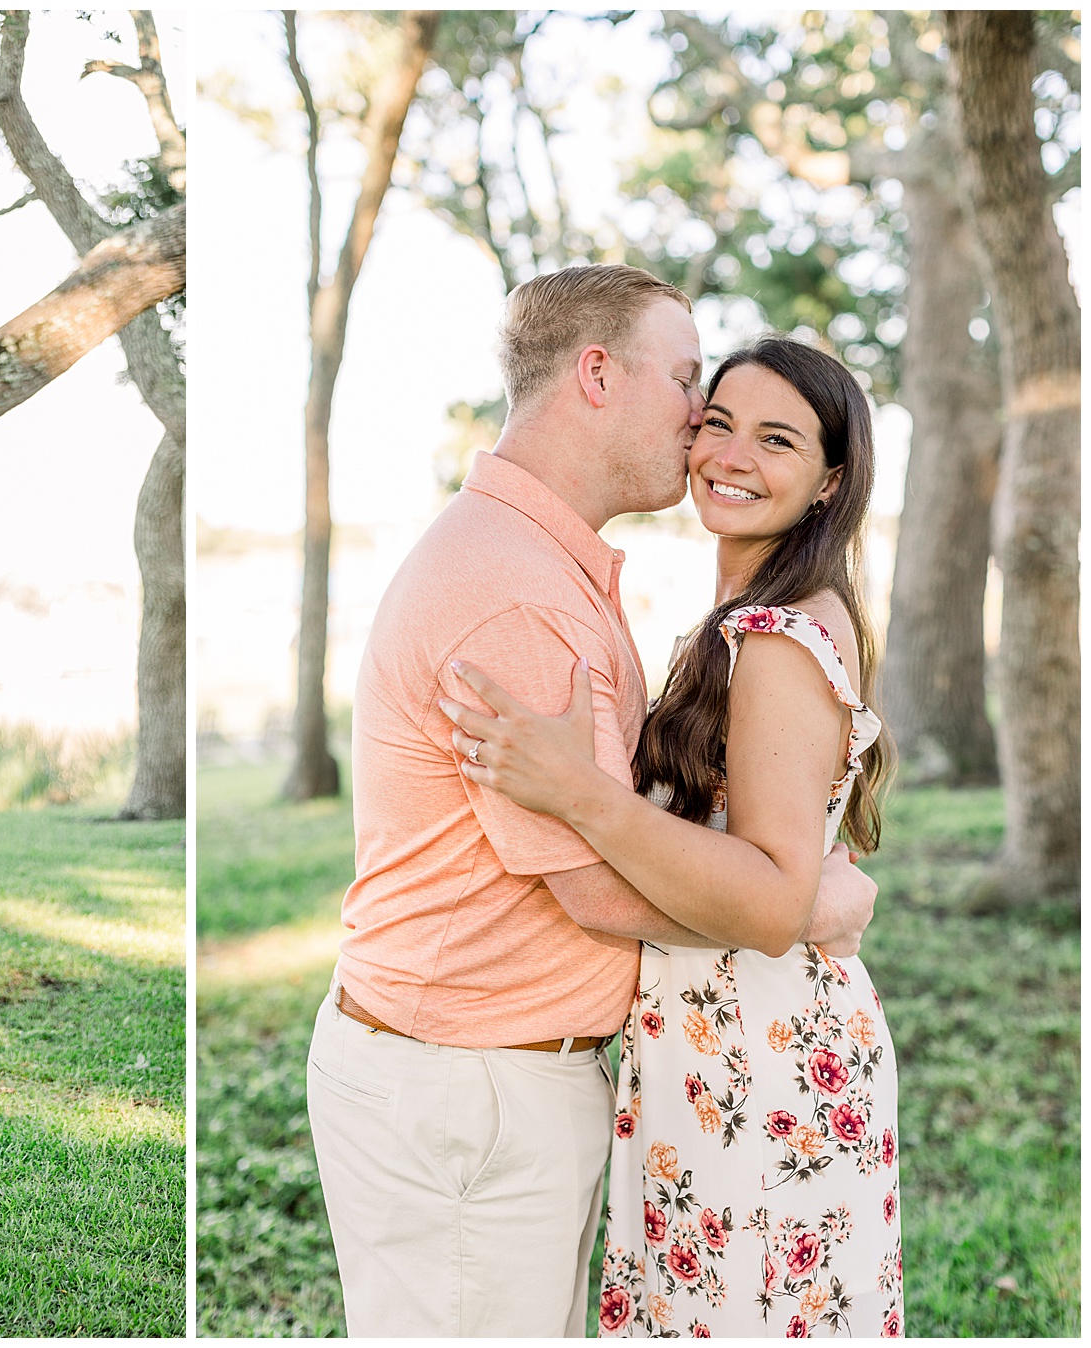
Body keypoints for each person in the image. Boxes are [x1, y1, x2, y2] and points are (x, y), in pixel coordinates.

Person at [304, 265, 881, 1338]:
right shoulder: (516, 592)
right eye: (691, 390)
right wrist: (799, 905)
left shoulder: (550, 565)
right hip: (467, 1091)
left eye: (769, 434)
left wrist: (781, 884)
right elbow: (596, 890)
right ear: (600, 376)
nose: (704, 431)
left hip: (508, 1081)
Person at [440, 337, 902, 1337]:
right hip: (714, 1042)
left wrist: (579, 793)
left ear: (830, 482)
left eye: (776, 439)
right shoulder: (747, 620)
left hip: (760, 1057)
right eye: (718, 423)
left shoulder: (778, 641)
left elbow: (773, 897)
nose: (732, 455)